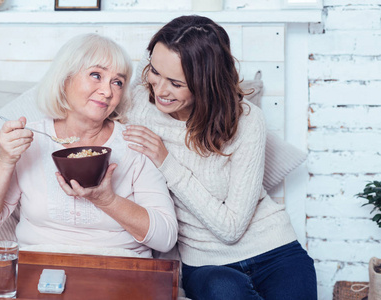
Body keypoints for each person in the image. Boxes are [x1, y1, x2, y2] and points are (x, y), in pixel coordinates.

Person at [122, 15, 317, 299]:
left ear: (205, 82)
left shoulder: (246, 120)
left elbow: (231, 228)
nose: (160, 90)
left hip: (275, 250)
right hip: (206, 264)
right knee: (223, 290)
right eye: (155, 72)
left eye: (176, 83)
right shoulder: (139, 103)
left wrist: (166, 162)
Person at [0, 33, 178, 258]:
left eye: (117, 82)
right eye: (96, 75)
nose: (107, 92)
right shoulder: (30, 140)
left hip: (119, 269)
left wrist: (108, 200)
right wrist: (4, 161)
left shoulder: (135, 143)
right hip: (39, 268)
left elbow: (165, 238)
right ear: (65, 78)